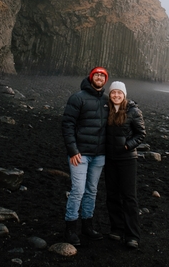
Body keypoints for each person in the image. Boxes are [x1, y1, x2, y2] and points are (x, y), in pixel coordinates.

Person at [61, 66, 110, 246]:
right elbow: (67, 125)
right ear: (91, 77)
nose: (99, 77)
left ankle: (87, 226)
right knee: (78, 191)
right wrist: (73, 151)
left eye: (102, 75)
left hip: (99, 155)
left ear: (105, 80)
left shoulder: (107, 100)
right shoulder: (77, 98)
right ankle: (70, 229)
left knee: (92, 191)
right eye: (96, 74)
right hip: (80, 155)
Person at [104, 81, 146, 249]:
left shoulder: (133, 111)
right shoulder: (106, 110)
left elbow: (141, 133)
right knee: (112, 195)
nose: (116, 95)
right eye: (113, 92)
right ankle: (117, 229)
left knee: (129, 197)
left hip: (128, 159)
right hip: (110, 158)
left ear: (124, 95)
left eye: (119, 93)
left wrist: (128, 145)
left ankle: (132, 236)